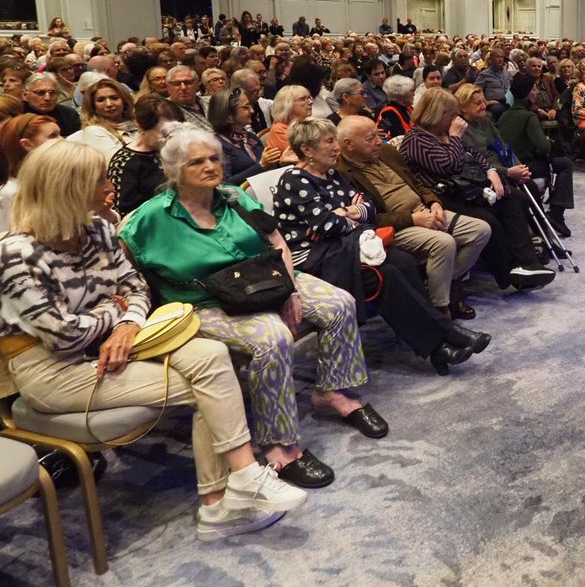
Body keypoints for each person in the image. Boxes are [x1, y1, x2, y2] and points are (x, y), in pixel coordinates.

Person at [0, 142, 308, 541]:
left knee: (212, 355)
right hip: (54, 371)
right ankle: (221, 501)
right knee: (210, 387)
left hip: (118, 345)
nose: (110, 185)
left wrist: (127, 322)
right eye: (99, 179)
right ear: (69, 188)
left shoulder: (95, 230)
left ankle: (239, 482)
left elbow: (136, 287)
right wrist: (118, 310)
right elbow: (63, 336)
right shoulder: (15, 254)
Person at [121, 125, 381, 488]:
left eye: (214, 158)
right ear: (173, 170)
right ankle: (281, 447)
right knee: (272, 337)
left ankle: (332, 392)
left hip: (264, 279)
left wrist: (291, 290)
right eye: (197, 162)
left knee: (339, 302)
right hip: (204, 302)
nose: (210, 166)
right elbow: (124, 271)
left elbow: (277, 241)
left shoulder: (234, 198)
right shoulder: (149, 219)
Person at [274, 118, 486, 368]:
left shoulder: (332, 173)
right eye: (329, 142)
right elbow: (326, 226)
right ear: (307, 149)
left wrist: (345, 213)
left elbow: (369, 208)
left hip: (347, 246)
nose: (335, 148)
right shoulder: (294, 179)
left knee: (403, 262)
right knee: (385, 275)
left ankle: (439, 343)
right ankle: (444, 338)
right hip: (315, 258)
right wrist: (348, 214)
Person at [335, 116, 494, 326]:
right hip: (397, 226)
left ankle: (446, 281)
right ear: (348, 144)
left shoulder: (387, 153)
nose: (378, 142)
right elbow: (369, 218)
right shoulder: (342, 175)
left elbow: (417, 182)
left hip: (425, 210)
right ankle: (441, 308)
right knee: (444, 243)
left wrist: (434, 202)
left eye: (377, 135)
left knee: (481, 230)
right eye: (370, 138)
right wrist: (413, 219)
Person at [400, 88, 554, 291]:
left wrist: (491, 171)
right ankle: (508, 274)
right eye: (451, 114)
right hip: (438, 195)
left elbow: (473, 154)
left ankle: (526, 264)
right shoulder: (416, 139)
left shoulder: (443, 132)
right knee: (488, 220)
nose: (457, 119)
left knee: (512, 200)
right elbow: (449, 165)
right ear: (436, 113)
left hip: (463, 188)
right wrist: (455, 137)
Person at [498, 73, 575, 235]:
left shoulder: (505, 115)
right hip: (527, 166)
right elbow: (544, 146)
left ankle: (555, 214)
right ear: (527, 94)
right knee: (566, 164)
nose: (537, 92)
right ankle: (556, 214)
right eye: (533, 89)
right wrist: (548, 141)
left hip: (509, 164)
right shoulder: (529, 116)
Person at [108, 95, 182, 215]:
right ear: (141, 126)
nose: (171, 137)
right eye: (164, 132)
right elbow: (123, 213)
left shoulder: (177, 148)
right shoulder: (124, 163)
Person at [208, 88, 280, 184]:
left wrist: (282, 162)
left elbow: (269, 169)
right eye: (246, 107)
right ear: (228, 112)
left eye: (250, 106)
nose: (252, 111)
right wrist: (260, 166)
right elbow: (225, 183)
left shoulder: (250, 137)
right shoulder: (217, 145)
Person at [65, 77, 136, 161]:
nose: (109, 104)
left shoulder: (138, 124)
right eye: (101, 100)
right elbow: (116, 163)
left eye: (114, 98)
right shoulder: (94, 131)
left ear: (125, 101)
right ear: (93, 106)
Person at [22, 72, 80, 137]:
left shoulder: (69, 115)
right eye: (40, 92)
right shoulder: (17, 116)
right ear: (25, 95)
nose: (47, 98)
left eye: (52, 93)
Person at [266, 85, 313, 165]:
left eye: (309, 98)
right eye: (303, 99)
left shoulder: (308, 124)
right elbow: (305, 157)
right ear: (287, 105)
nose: (311, 102)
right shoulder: (279, 130)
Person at [164, 65, 211, 129]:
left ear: (197, 84)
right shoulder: (163, 110)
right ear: (168, 87)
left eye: (188, 82)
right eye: (177, 83)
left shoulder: (212, 102)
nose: (183, 88)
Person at [376, 75, 415, 141]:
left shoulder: (408, 108)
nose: (414, 94)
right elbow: (400, 137)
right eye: (411, 91)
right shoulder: (389, 113)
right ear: (401, 94)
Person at [475, 49, 512, 118]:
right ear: (491, 59)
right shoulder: (484, 74)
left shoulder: (507, 74)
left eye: (502, 57)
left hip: (509, 101)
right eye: (497, 57)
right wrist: (486, 102)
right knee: (497, 109)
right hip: (494, 103)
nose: (500, 59)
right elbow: (476, 91)